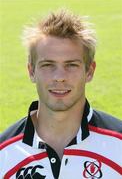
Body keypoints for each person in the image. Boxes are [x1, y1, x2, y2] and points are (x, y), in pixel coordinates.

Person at [0, 10, 122, 179]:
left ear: (89, 71)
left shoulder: (119, 144)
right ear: (31, 71)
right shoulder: (4, 153)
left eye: (71, 65)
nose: (59, 77)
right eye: (48, 65)